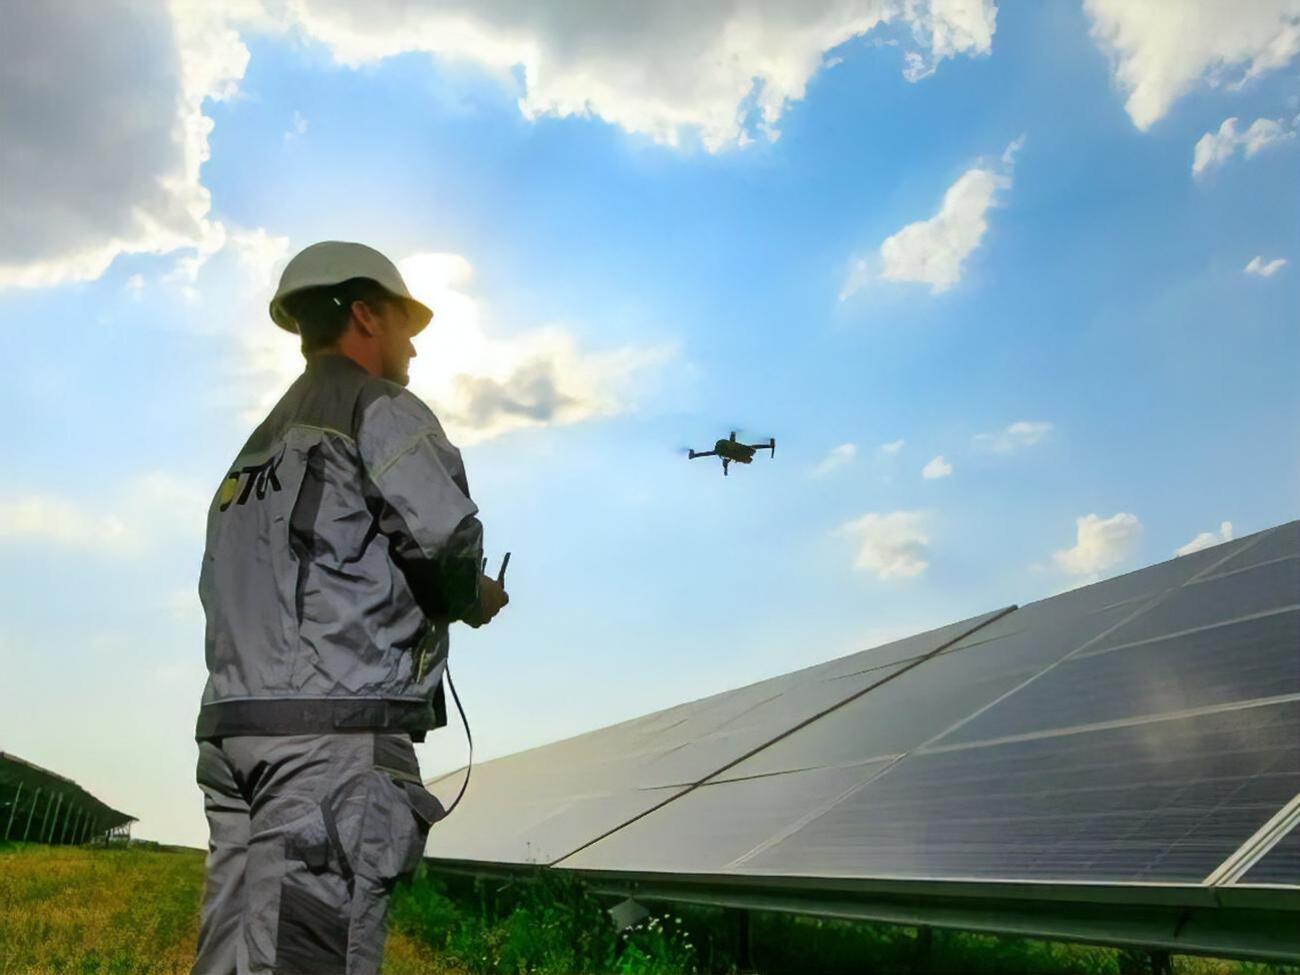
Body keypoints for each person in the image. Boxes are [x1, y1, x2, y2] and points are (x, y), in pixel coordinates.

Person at [190, 241, 508, 975]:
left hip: (237, 736)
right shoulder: (379, 408)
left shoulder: (254, 449)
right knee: (312, 958)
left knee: (233, 957)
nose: (415, 349)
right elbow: (445, 537)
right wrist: (474, 595)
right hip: (329, 744)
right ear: (364, 313)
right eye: (404, 324)